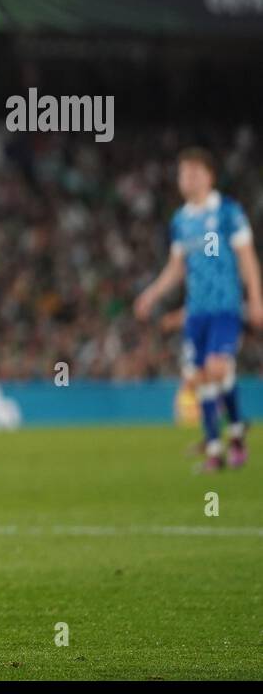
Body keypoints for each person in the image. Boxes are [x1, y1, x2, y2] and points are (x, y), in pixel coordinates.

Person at [135, 148, 263, 471]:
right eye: (183, 173)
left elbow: (247, 258)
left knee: (217, 368)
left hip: (225, 307)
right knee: (199, 377)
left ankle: (234, 430)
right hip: (196, 312)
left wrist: (257, 299)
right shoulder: (180, 221)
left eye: (194, 172)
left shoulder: (227, 212)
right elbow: (176, 268)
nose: (187, 178)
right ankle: (218, 448)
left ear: (209, 176)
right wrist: (151, 293)